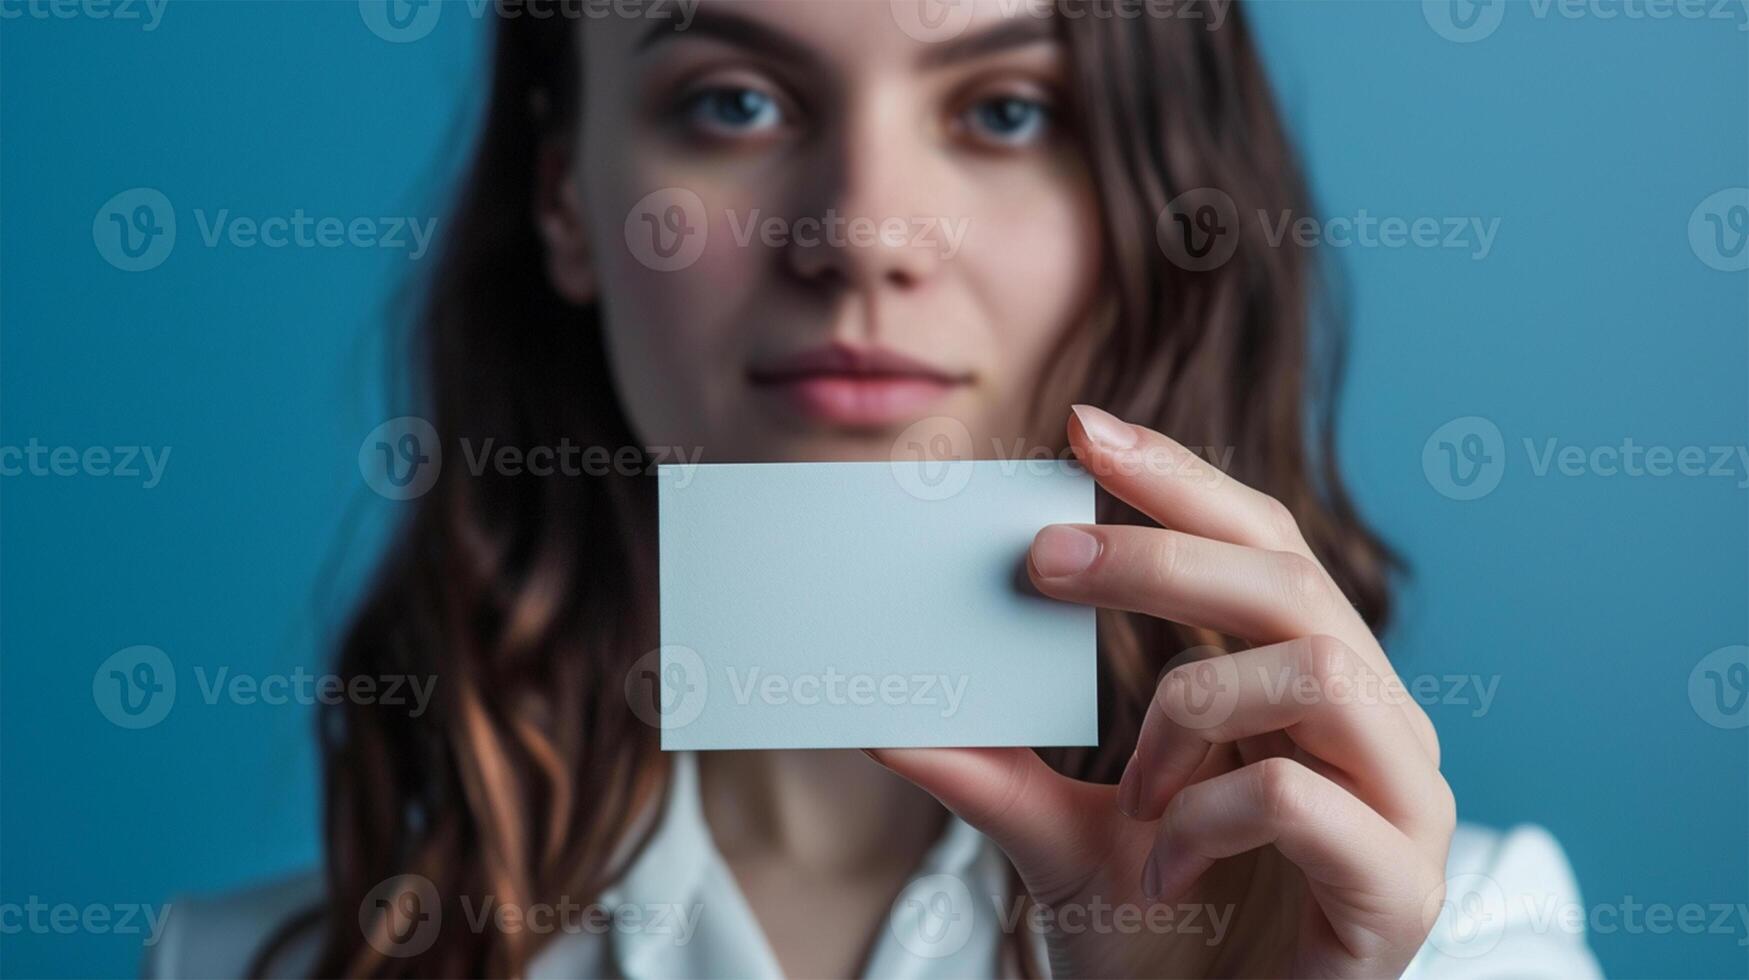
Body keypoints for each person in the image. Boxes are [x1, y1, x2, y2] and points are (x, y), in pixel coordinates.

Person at [149, 1, 1601, 976]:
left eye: (1009, 112)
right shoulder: (229, 964)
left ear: (1151, 217)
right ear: (563, 203)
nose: (861, 233)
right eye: (728, 101)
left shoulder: (1453, 938)